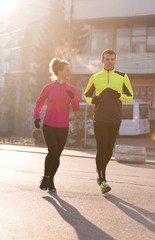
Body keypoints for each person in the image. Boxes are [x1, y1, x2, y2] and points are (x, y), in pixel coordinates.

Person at [84, 49, 134, 194]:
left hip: (115, 118)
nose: (110, 61)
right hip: (99, 118)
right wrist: (94, 100)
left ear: (115, 61)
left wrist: (119, 96)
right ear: (102, 61)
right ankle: (102, 179)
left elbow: (130, 96)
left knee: (109, 152)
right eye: (107, 59)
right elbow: (86, 95)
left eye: (112, 59)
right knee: (101, 148)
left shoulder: (123, 77)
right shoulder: (95, 77)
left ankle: (100, 174)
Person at [34, 58, 79, 192]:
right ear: (59, 72)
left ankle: (51, 180)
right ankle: (45, 177)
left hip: (63, 127)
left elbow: (76, 108)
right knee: (52, 151)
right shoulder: (48, 88)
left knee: (57, 155)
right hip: (49, 125)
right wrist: (36, 117)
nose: (69, 73)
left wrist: (72, 98)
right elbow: (39, 103)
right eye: (67, 70)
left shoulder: (71, 89)